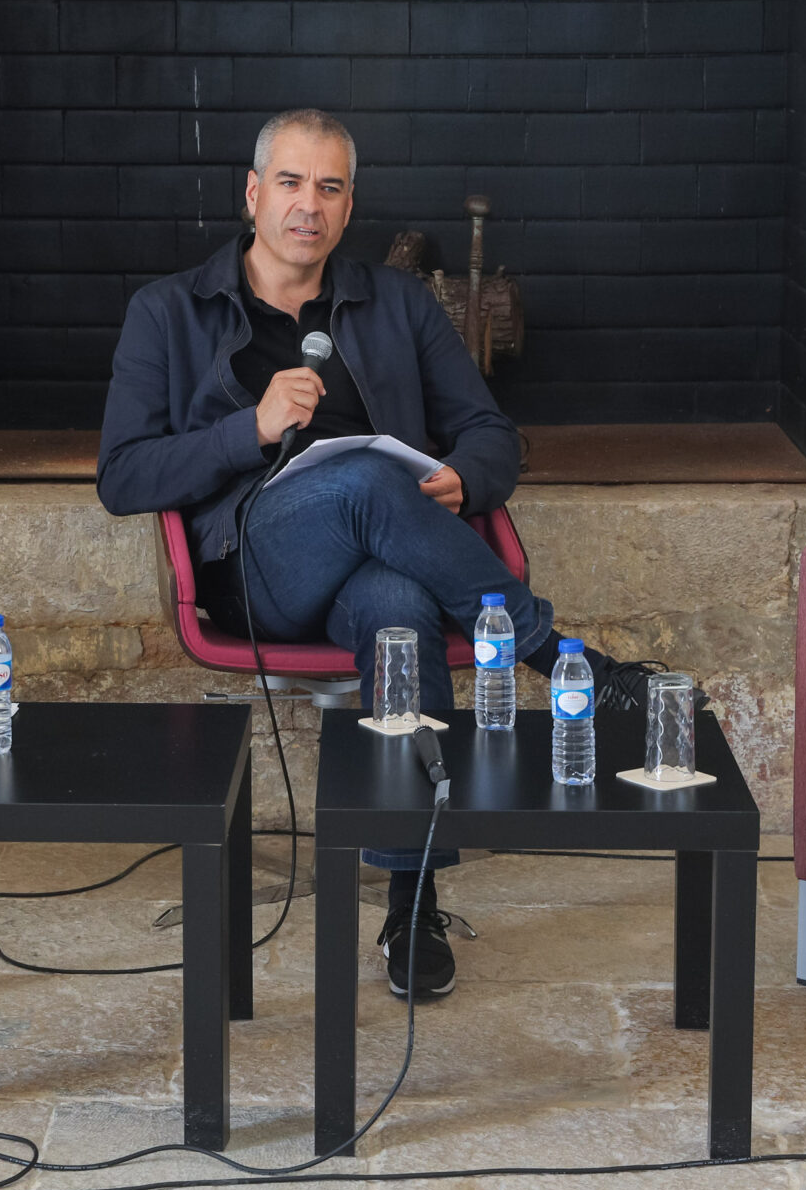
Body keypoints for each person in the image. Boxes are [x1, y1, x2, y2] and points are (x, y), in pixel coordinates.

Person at [97, 108, 695, 1001]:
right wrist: (246, 430)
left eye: (330, 188)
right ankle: (564, 660)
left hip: (381, 558)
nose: (310, 205)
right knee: (370, 479)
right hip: (256, 565)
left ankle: (411, 903)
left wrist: (463, 477)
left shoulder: (399, 304)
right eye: (291, 184)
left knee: (399, 614)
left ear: (348, 205)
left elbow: (492, 433)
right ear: (254, 194)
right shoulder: (170, 311)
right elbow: (123, 474)